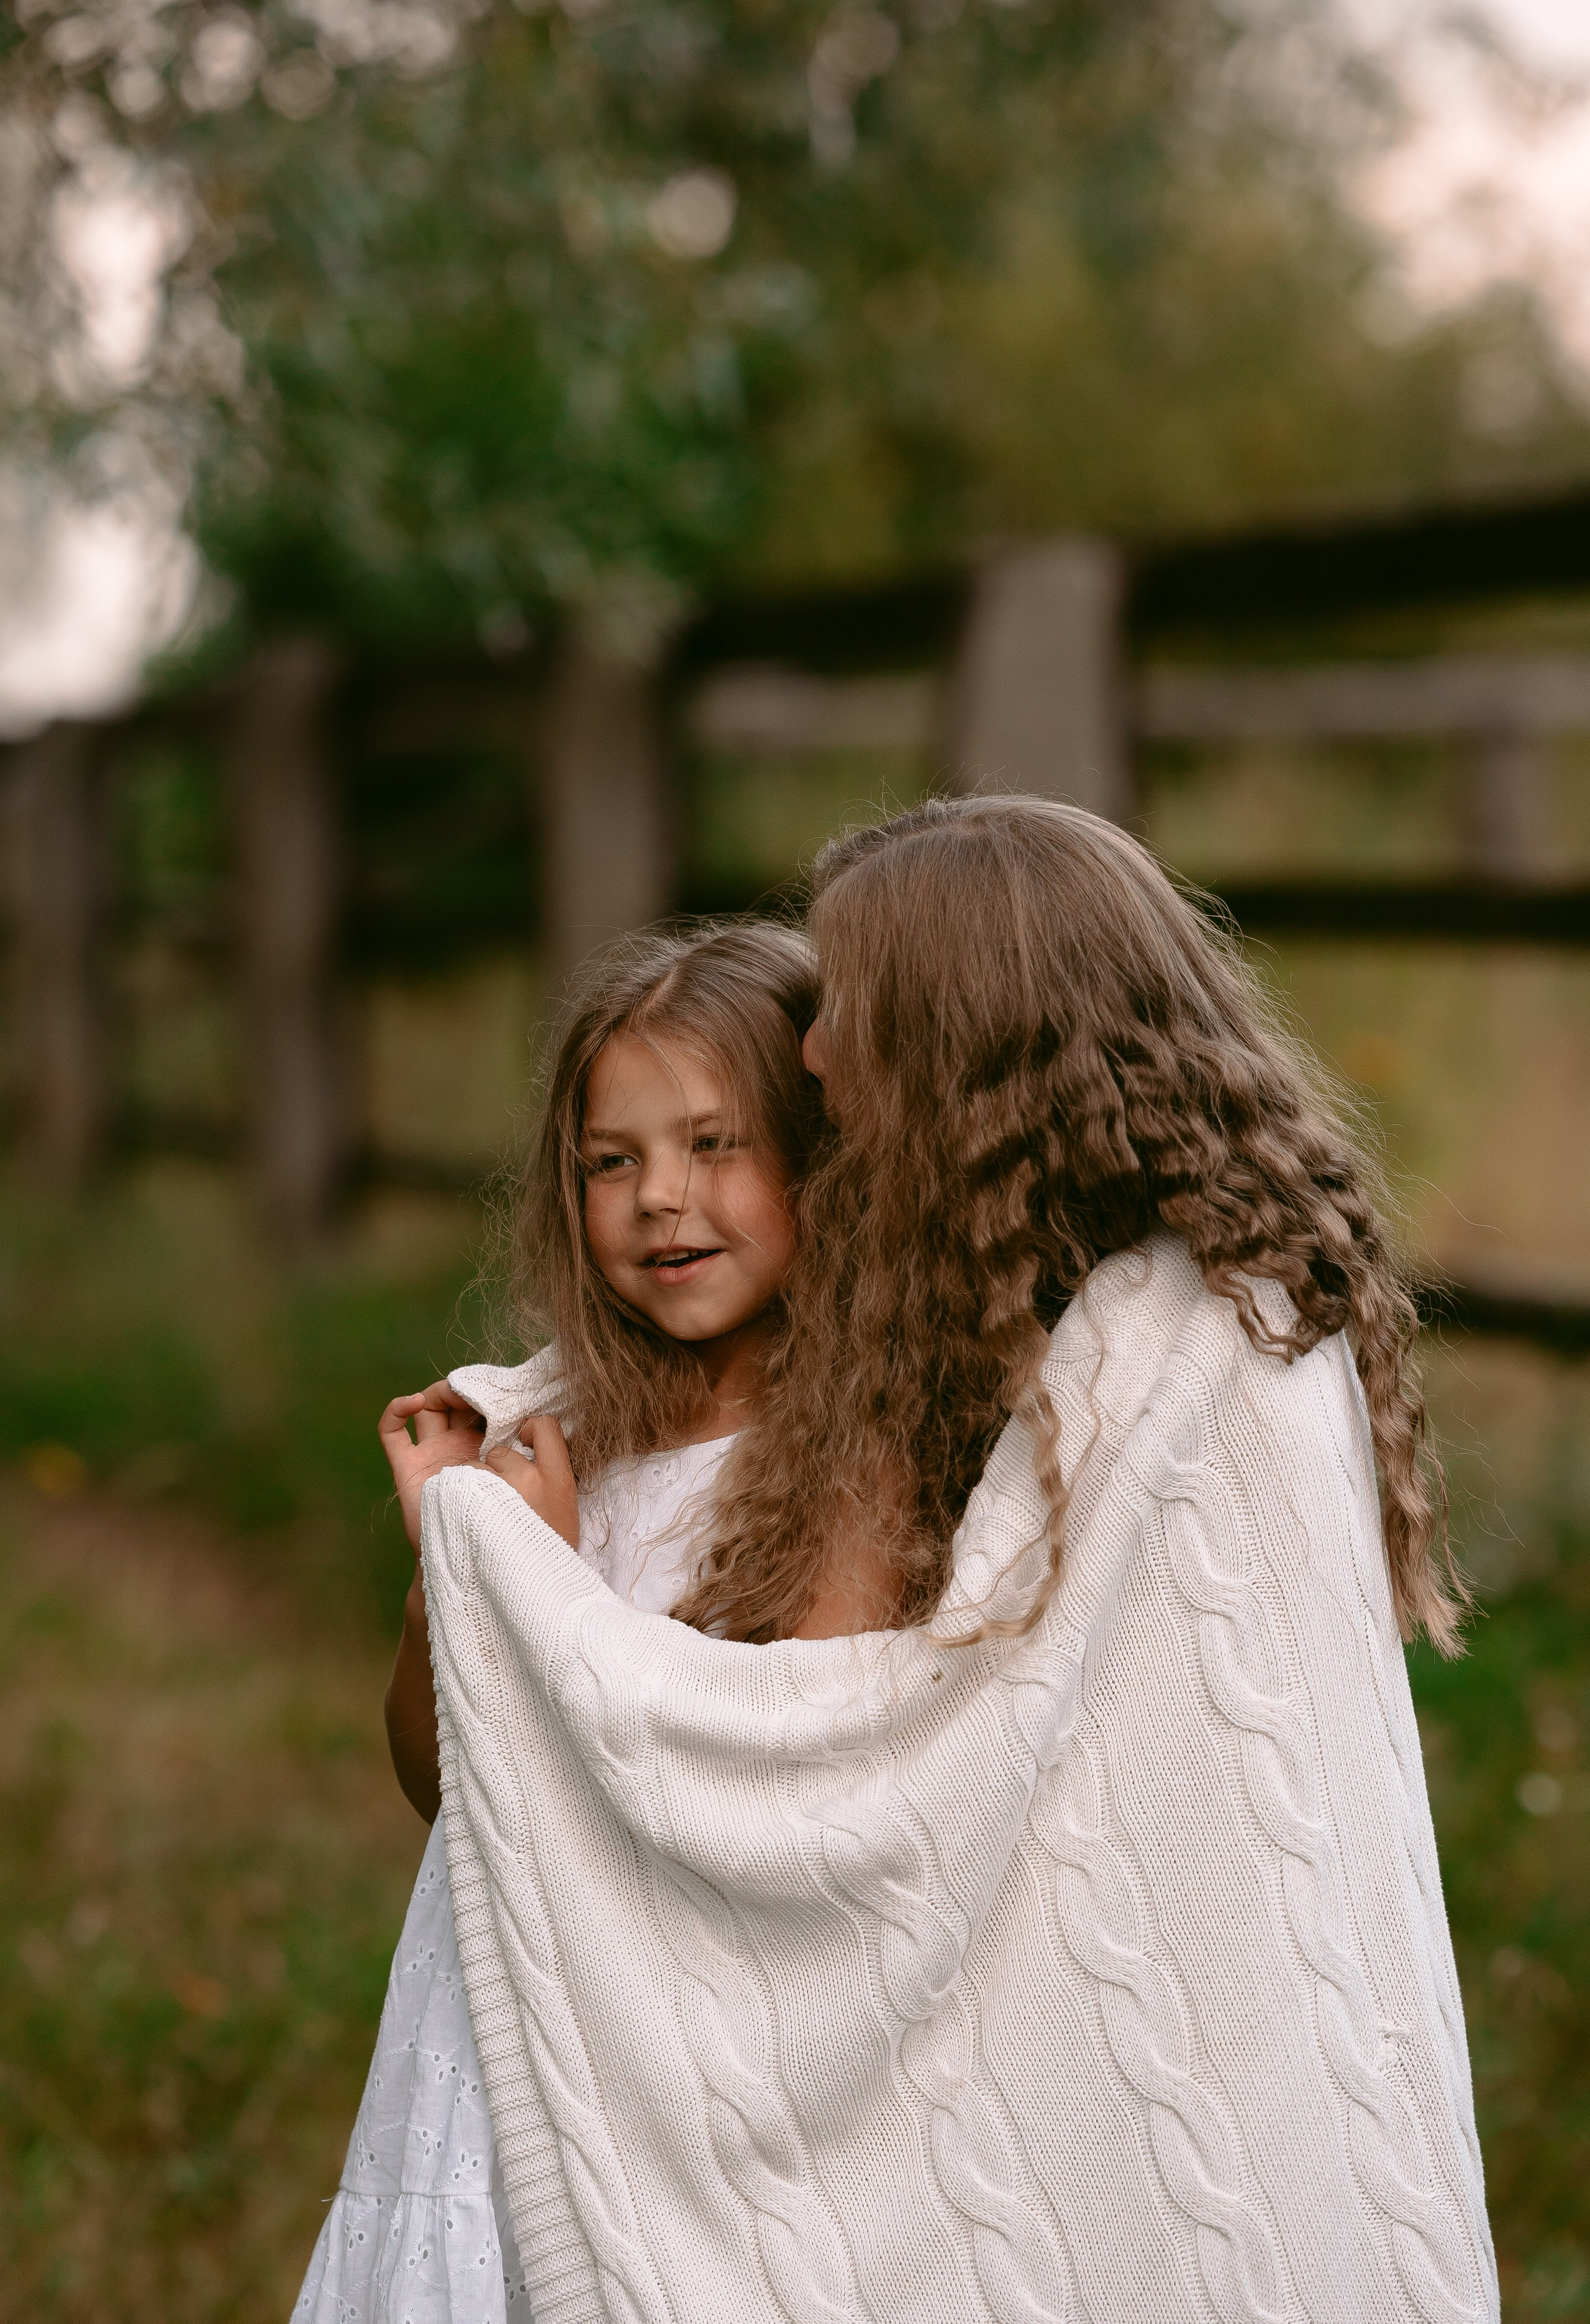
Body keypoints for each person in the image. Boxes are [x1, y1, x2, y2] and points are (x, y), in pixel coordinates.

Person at [420, 796, 1497, 2322]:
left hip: (1239, 2042)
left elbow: (916, 1743)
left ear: (962, 1035)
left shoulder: (1179, 1347)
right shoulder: (1153, 1302)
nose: (809, 1051)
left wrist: (514, 1577)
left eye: (845, 1009)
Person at [293, 920, 827, 2324]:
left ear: (826, 1156)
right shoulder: (555, 1438)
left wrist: (549, 1592)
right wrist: (456, 1573)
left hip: (678, 2074)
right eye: (613, 1159)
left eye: (716, 1145)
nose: (661, 1198)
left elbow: (721, 1802)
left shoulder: (841, 1463)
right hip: (493, 2030)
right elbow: (440, 1789)